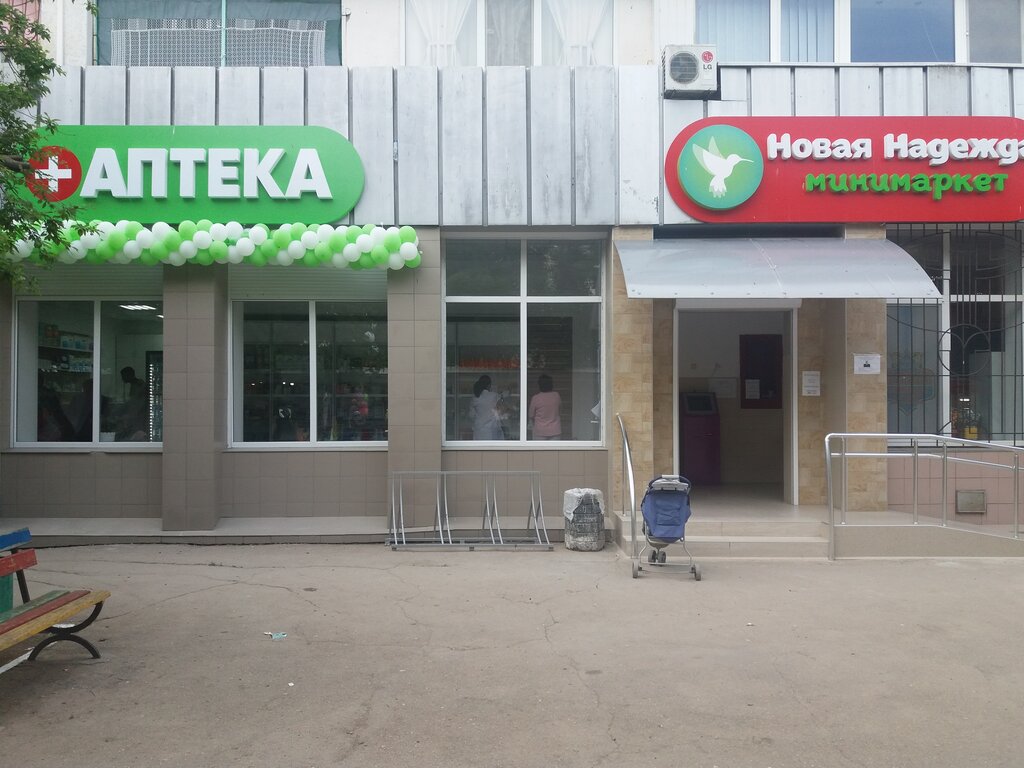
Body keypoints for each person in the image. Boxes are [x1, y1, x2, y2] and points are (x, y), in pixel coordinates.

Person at [469, 375, 504, 440]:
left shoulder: (475, 398)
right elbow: (501, 407)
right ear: (489, 385)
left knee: (479, 446)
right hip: (491, 430)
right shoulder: (493, 396)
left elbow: (471, 415)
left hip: (478, 430)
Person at [528, 373, 561, 440]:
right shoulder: (556, 396)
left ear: (539, 385)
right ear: (551, 384)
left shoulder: (536, 398)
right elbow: (560, 410)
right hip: (555, 430)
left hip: (540, 431)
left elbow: (531, 415)